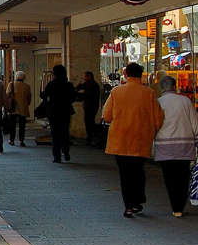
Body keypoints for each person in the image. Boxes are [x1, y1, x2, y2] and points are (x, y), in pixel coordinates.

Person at [102, 62, 164, 218]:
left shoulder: (116, 92)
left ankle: (128, 206)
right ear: (141, 75)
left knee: (125, 174)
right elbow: (158, 119)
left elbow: (107, 116)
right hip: (141, 139)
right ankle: (138, 201)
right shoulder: (149, 93)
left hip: (120, 140)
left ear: (126, 74)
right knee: (138, 171)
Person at [154, 75, 197, 217]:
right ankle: (180, 205)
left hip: (164, 146)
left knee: (169, 177)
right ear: (174, 86)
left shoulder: (158, 102)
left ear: (161, 88)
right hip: (185, 145)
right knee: (183, 176)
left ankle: (175, 206)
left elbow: (154, 125)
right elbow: (195, 123)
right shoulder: (185, 101)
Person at [41, 65, 77, 163]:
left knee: (55, 134)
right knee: (65, 132)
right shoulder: (68, 84)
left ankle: (57, 156)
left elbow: (44, 95)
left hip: (54, 112)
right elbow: (74, 97)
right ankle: (66, 151)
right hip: (65, 111)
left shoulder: (51, 84)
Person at [75, 71, 102, 146]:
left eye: (85, 76)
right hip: (90, 106)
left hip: (91, 106)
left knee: (89, 122)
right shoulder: (89, 84)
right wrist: (80, 84)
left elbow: (87, 95)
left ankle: (91, 137)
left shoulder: (93, 85)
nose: (84, 78)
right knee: (89, 122)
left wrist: (79, 93)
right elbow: (78, 88)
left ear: (89, 76)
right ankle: (90, 137)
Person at [6, 71, 32, 146]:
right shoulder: (27, 86)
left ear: (16, 77)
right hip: (23, 108)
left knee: (12, 125)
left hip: (13, 108)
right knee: (22, 126)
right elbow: (29, 98)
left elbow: (7, 95)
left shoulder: (11, 84)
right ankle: (21, 140)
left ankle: (12, 140)